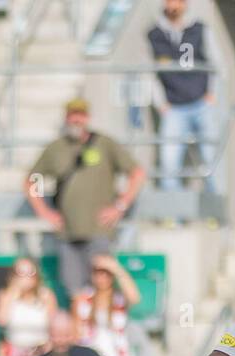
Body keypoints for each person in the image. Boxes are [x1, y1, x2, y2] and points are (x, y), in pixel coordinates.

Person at [26, 98, 146, 301]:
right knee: (74, 291)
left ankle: (104, 329)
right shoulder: (56, 148)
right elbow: (32, 180)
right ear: (66, 117)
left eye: (80, 115)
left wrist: (120, 205)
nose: (76, 119)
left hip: (98, 230)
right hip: (67, 232)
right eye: (72, 114)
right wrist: (44, 212)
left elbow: (137, 173)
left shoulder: (105, 144)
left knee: (102, 287)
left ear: (87, 117)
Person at [149, 0, 217, 193]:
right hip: (174, 106)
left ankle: (214, 210)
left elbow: (215, 62)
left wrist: (212, 93)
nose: (174, 6)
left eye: (178, 1)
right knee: (169, 161)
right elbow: (150, 70)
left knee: (210, 158)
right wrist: (160, 102)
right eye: (170, 1)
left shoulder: (199, 28)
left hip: (200, 103)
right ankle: (173, 215)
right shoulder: (155, 34)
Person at [0, 256, 56, 356]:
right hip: (12, 350)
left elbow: (54, 327)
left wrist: (43, 350)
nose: (25, 277)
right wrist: (13, 293)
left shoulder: (46, 296)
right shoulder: (5, 295)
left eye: (30, 272)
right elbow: (1, 320)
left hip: (40, 351)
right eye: (20, 273)